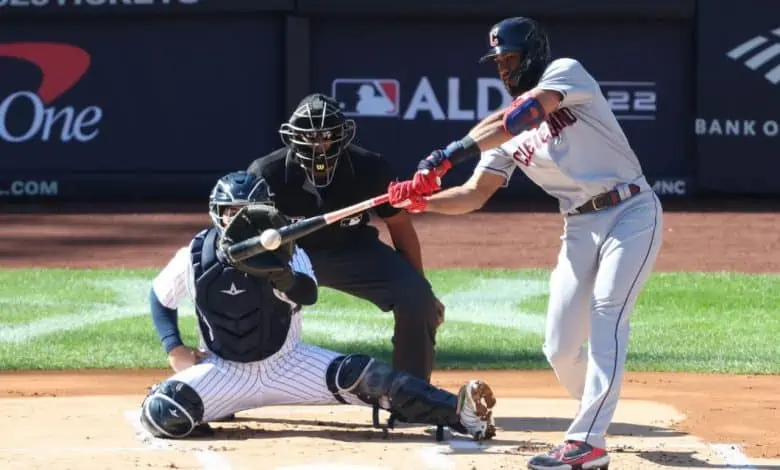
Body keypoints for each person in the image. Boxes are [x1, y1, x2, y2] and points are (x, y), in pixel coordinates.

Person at [387, 17, 663, 470]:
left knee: (607, 313)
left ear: (532, 53)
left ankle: (587, 441)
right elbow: (474, 195)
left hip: (631, 212)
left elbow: (525, 113)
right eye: (498, 62)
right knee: (558, 347)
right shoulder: (504, 133)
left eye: (510, 58)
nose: (504, 68)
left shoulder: (565, 74)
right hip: (578, 226)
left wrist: (444, 157)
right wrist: (422, 203)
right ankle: (596, 407)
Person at [139, 170, 497, 442]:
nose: (239, 220)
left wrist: (281, 276)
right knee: (161, 414)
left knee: (369, 376)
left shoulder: (287, 250)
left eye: (246, 212)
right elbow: (160, 298)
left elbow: (308, 292)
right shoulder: (196, 256)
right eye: (231, 212)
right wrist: (174, 348)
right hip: (225, 370)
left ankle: (460, 413)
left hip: (289, 364)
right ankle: (219, 407)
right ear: (217, 213)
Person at [246, 93, 444, 384]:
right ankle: (234, 381)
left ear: (343, 136)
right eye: (310, 137)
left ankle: (411, 392)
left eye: (327, 136)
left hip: (354, 250)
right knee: (240, 296)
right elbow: (246, 238)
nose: (319, 145)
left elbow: (400, 225)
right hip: (290, 257)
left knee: (417, 298)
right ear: (292, 137)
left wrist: (423, 287)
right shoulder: (267, 173)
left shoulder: (370, 167)